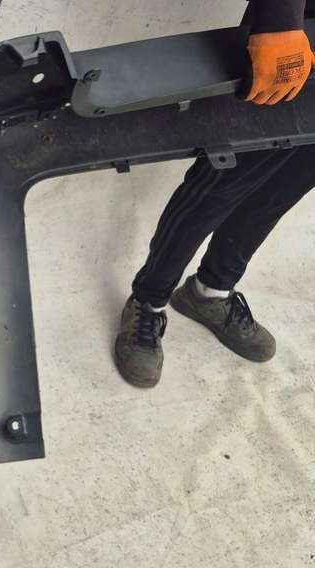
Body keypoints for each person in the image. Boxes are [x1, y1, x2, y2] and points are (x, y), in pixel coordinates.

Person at [115, 0, 315, 388]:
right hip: (291, 39)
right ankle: (148, 301)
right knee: (222, 183)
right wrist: (279, 20)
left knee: (283, 187)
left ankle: (210, 291)